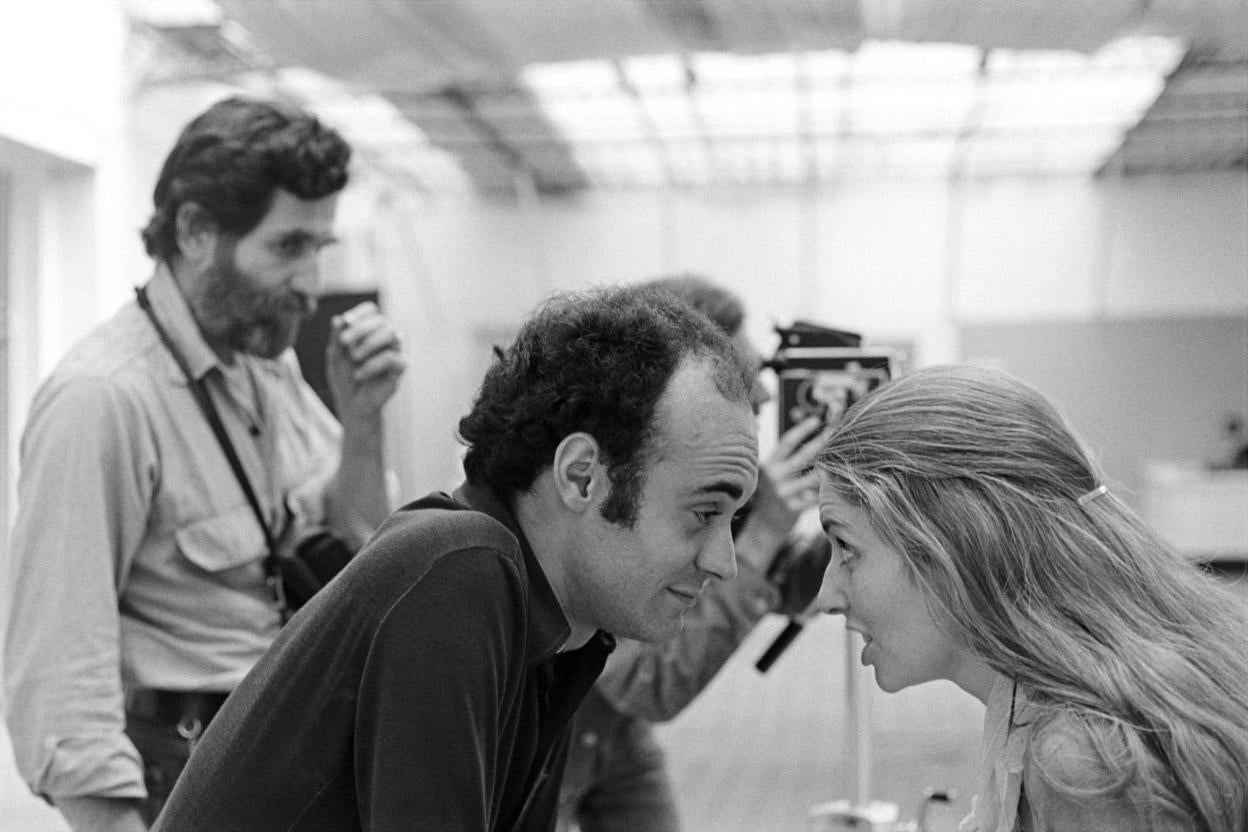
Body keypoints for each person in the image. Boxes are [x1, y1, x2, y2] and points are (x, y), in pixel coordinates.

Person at [151, 284, 761, 831]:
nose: (724, 560)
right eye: (704, 513)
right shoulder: (458, 571)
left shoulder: (554, 628)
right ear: (581, 476)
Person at [2, 96, 406, 831]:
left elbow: (363, 547)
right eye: (288, 247)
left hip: (273, 753)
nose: (313, 285)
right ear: (194, 231)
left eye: (321, 247)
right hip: (181, 776)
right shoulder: (102, 400)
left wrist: (364, 422)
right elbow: (61, 681)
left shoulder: (266, 371)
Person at [813, 364, 1248, 832]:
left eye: (847, 549)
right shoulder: (1040, 705)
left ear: (955, 542)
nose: (826, 596)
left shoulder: (1085, 766)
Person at [557, 275, 831, 832]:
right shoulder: (620, 501)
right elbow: (651, 683)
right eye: (745, 379)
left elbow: (799, 582)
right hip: (546, 736)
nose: (765, 394)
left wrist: (861, 519)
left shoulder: (708, 483)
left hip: (610, 730)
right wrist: (764, 528)